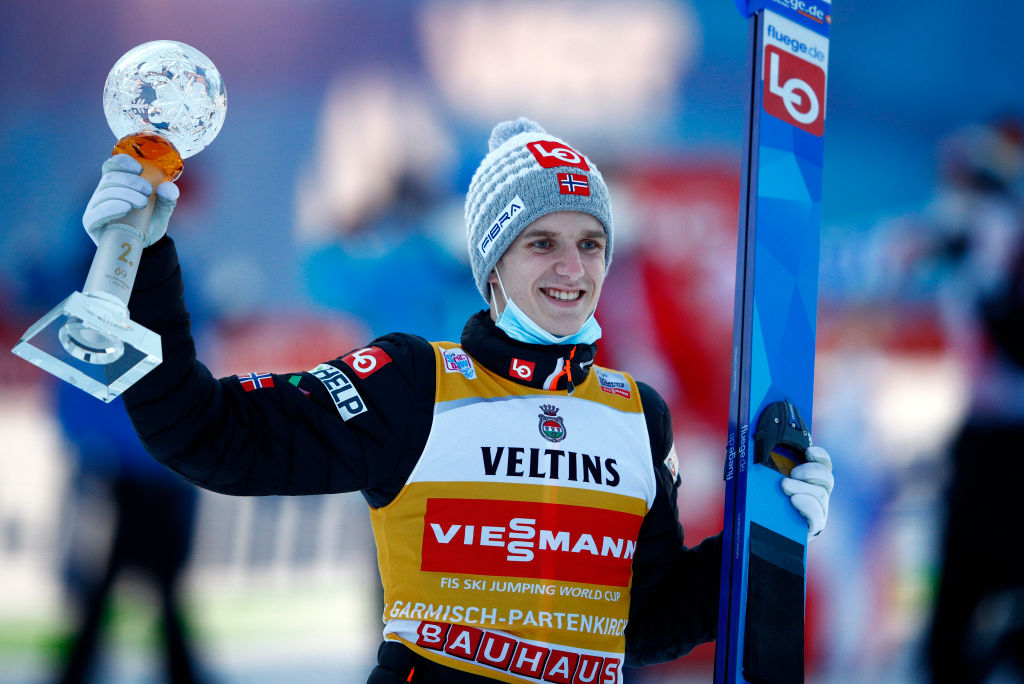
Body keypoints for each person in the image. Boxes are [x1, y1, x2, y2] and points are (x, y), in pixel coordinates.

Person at [82, 118, 834, 683]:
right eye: (540, 243)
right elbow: (209, 435)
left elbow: (644, 622)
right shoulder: (411, 382)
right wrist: (143, 261)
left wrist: (765, 533)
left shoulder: (638, 415)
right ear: (492, 263)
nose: (572, 268)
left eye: (591, 243)